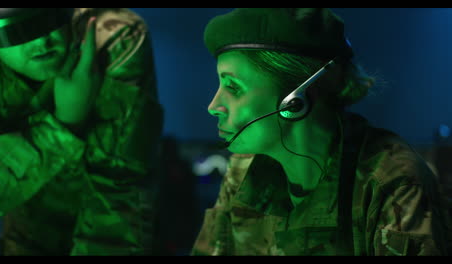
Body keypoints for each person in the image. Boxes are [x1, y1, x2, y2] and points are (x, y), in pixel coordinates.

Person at [191, 8, 451, 256]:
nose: (214, 107)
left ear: (295, 99)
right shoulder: (243, 170)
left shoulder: (392, 181)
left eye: (233, 87)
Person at [0, 8, 163, 255]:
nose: (41, 41)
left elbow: (118, 192)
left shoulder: (110, 35)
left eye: (47, 19)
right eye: (15, 32)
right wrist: (65, 123)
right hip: (26, 240)